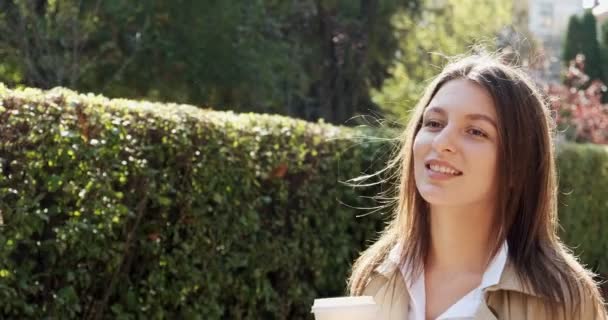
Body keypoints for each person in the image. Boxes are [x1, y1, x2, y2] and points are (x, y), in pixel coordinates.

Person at [346, 53, 607, 319]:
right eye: (434, 123)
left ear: (518, 166)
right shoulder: (375, 275)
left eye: (476, 131)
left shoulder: (563, 300)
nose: (441, 142)